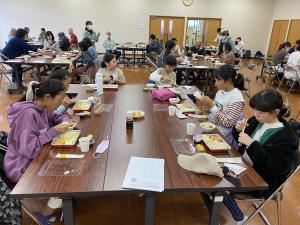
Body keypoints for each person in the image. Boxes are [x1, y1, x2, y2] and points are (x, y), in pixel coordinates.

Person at [223, 89, 298, 224]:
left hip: (261, 179)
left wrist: (251, 144)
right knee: (210, 171)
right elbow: (241, 141)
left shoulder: (286, 137)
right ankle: (216, 207)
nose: (255, 115)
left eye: (260, 112)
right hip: (242, 166)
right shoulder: (258, 120)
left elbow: (275, 167)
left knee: (216, 184)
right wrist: (238, 130)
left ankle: (239, 217)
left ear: (275, 112)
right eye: (255, 110)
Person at [4, 79, 73, 225]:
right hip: (22, 166)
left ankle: (65, 201)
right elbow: (29, 150)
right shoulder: (28, 115)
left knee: (69, 166)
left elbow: (56, 117)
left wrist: (65, 120)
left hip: (36, 157)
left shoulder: (43, 109)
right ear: (47, 97)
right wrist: (52, 132)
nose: (61, 104)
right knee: (65, 179)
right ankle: (45, 214)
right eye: (59, 99)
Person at [195, 65, 245, 140]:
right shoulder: (221, 91)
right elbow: (211, 112)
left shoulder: (237, 98)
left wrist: (211, 105)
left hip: (221, 134)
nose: (215, 84)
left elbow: (228, 123)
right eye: (215, 80)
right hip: (211, 125)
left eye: (218, 80)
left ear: (229, 80)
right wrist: (205, 104)